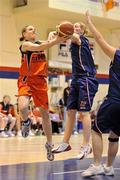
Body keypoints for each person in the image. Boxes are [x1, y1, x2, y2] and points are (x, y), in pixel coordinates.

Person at [17, 25, 69, 161]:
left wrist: (57, 34)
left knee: (45, 114)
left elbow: (46, 43)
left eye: (34, 29)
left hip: (40, 82)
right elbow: (42, 46)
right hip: (26, 80)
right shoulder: (25, 45)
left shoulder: (41, 43)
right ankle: (26, 122)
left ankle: (49, 144)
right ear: (24, 34)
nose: (33, 30)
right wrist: (57, 39)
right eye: (29, 29)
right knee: (22, 107)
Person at [81, 10, 120, 177]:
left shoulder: (118, 55)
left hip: (114, 100)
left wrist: (89, 22)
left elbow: (99, 39)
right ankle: (109, 167)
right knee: (115, 134)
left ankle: (97, 164)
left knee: (96, 129)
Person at [52, 22, 98, 160]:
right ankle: (65, 143)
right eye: (74, 26)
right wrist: (54, 35)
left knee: (84, 113)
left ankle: (86, 145)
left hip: (87, 79)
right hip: (76, 79)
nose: (75, 27)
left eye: (78, 27)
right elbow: (58, 39)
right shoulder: (72, 41)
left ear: (83, 31)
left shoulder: (81, 39)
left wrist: (60, 30)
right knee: (70, 111)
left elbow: (73, 36)